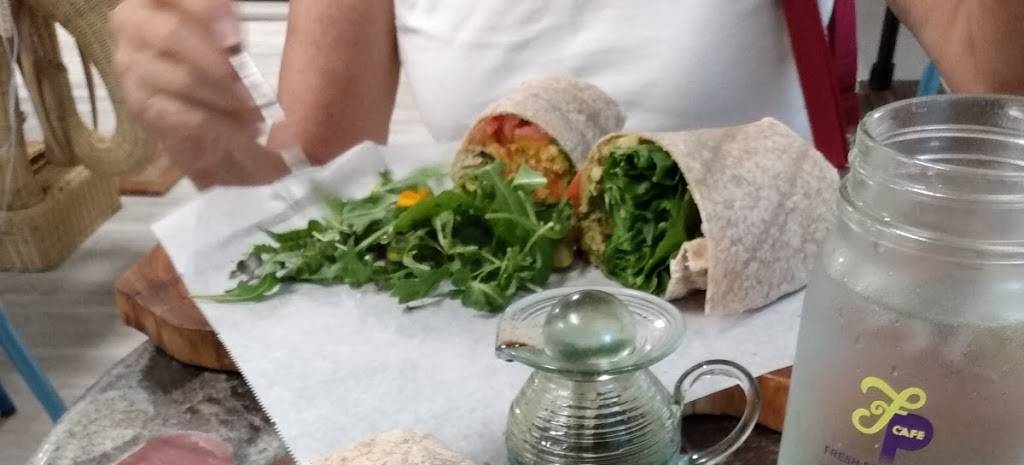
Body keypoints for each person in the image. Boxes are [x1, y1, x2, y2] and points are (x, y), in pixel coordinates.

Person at [112, 0, 1024, 189]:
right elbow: (316, 171)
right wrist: (218, 147)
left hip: (771, 381)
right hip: (487, 359)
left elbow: (1000, 82)